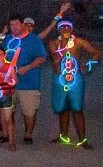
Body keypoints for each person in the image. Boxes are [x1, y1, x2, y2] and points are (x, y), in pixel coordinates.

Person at [47, 18, 101, 148]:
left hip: (76, 79)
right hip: (60, 79)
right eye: (63, 27)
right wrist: (64, 46)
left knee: (76, 109)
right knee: (62, 108)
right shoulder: (53, 43)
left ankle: (82, 139)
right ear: (58, 30)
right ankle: (63, 136)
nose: (65, 29)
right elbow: (55, 60)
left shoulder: (79, 42)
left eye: (68, 27)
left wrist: (88, 65)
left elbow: (98, 52)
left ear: (71, 29)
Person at [6, 14, 47, 145]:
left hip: (29, 82)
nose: (14, 27)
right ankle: (8, 133)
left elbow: (41, 58)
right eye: (11, 25)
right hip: (8, 83)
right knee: (7, 110)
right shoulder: (7, 39)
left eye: (16, 24)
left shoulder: (34, 40)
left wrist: (28, 67)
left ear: (23, 24)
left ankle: (28, 133)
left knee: (28, 112)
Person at [0, 47, 17, 150]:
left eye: (0, 54)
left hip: (7, 95)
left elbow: (15, 81)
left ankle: (11, 142)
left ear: (4, 56)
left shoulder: (10, 67)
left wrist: (10, 81)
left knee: (8, 119)